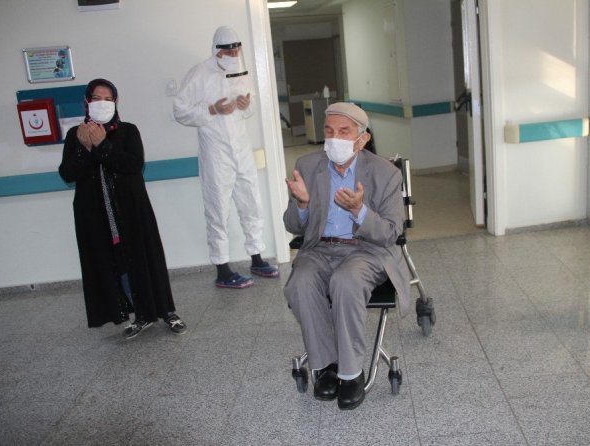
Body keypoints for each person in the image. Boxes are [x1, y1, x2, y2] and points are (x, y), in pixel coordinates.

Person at [283, 102, 411, 410]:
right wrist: (301, 205)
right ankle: (326, 366)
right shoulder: (307, 166)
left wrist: (359, 211)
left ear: (362, 138)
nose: (334, 138)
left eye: (344, 131)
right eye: (329, 131)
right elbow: (292, 226)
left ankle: (351, 373)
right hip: (320, 248)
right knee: (300, 283)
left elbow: (390, 233)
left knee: (345, 281)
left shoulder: (385, 173)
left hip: (365, 250)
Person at [59, 78, 187, 339]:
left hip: (131, 211)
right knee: (117, 265)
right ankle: (140, 315)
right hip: (97, 216)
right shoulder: (76, 135)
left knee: (146, 259)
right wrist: (85, 148)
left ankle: (167, 311)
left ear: (115, 102)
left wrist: (103, 145)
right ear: (87, 102)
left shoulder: (128, 131)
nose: (102, 103)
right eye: (96, 98)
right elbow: (68, 174)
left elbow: (133, 165)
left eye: (108, 99)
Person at [173, 25, 278, 289]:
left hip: (241, 148)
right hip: (215, 151)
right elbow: (180, 111)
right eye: (228, 51)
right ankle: (222, 268)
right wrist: (212, 109)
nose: (233, 55)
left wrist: (245, 105)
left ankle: (257, 258)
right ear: (216, 50)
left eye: (236, 50)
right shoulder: (199, 73)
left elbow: (248, 108)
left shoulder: (241, 71)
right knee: (217, 208)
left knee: (251, 202)